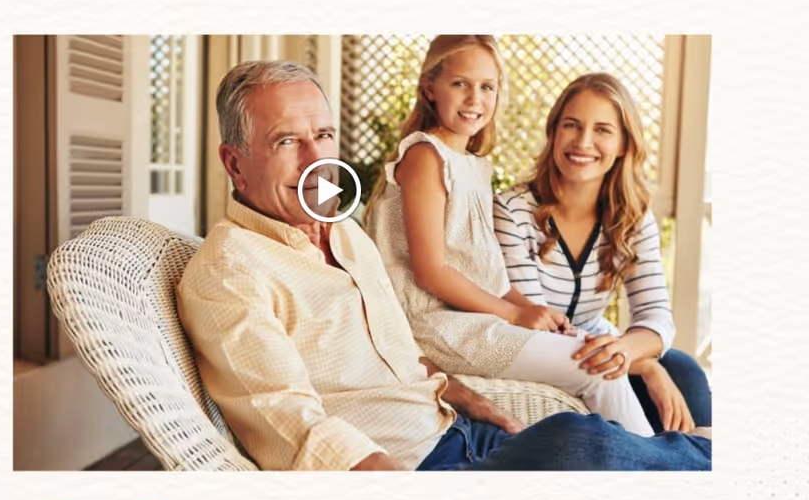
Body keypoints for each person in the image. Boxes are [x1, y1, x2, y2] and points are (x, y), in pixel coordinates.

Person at [176, 59, 711, 471]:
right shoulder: (232, 269)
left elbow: (397, 352)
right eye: (287, 141)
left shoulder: (345, 233)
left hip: (453, 428)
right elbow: (284, 418)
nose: (315, 157)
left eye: (324, 135)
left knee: (589, 429)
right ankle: (710, 465)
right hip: (417, 467)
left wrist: (460, 393)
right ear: (233, 164)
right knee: (585, 445)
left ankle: (697, 463)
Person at [366, 36, 654, 435]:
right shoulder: (424, 157)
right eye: (460, 84)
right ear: (430, 87)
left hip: (473, 320)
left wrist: (538, 313)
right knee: (597, 368)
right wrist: (516, 314)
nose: (474, 99)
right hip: (435, 327)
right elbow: (429, 271)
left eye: (487, 87)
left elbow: (487, 276)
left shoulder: (472, 165)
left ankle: (645, 457)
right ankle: (664, 464)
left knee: (596, 357)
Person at [493, 72, 712, 433]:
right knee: (660, 371)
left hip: (603, 349)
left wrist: (627, 349)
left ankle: (700, 464)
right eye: (572, 125)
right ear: (554, 132)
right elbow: (542, 330)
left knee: (685, 370)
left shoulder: (632, 216)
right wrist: (645, 365)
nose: (583, 142)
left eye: (603, 130)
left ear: (624, 143)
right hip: (544, 355)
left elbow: (657, 316)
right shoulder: (512, 210)